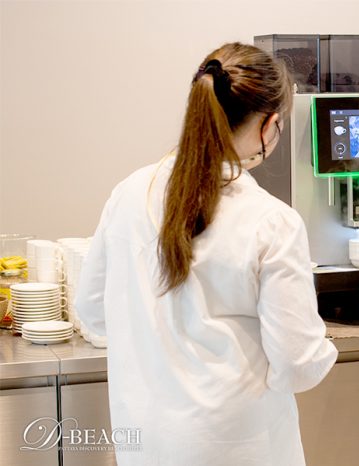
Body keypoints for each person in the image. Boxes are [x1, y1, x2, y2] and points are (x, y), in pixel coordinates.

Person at [75, 42, 338, 466]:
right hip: (240, 449)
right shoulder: (272, 222)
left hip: (147, 447)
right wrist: (321, 342)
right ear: (270, 125)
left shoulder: (129, 193)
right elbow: (297, 365)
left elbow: (92, 312)